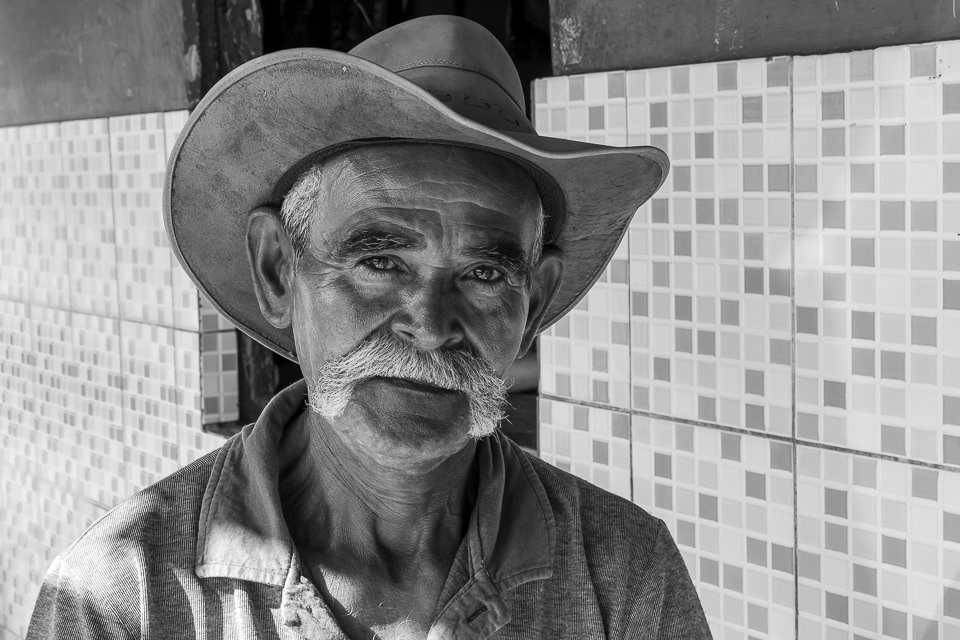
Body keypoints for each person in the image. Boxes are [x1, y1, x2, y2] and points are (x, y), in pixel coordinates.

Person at [27, 15, 711, 640]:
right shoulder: (126, 599)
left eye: (484, 274)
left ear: (533, 304)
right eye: (380, 262)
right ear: (277, 271)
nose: (432, 327)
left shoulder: (625, 575)